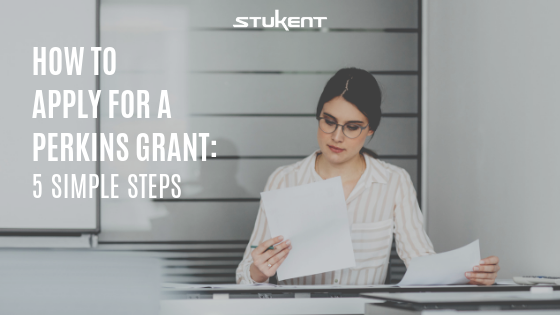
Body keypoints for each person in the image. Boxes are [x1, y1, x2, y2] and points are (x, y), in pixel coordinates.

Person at [236, 68, 500, 285]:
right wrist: (259, 271)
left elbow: (421, 261)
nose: (337, 136)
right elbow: (244, 274)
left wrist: (469, 275)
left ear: (370, 129)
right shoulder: (284, 180)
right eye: (329, 121)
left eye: (352, 127)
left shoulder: (394, 182)